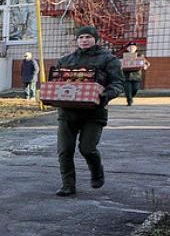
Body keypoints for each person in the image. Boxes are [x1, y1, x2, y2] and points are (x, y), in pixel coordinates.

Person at [53, 26, 123, 197]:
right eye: (81, 37)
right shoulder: (66, 60)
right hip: (68, 112)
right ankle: (68, 185)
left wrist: (105, 95)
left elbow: (118, 83)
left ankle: (97, 171)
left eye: (88, 37)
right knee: (64, 150)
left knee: (87, 148)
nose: (84, 40)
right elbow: (56, 82)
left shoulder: (108, 60)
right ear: (77, 40)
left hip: (94, 112)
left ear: (96, 39)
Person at [122, 42, 150, 106]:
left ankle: (131, 97)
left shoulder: (140, 55)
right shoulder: (124, 55)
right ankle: (129, 100)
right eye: (130, 47)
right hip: (126, 76)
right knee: (127, 89)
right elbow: (119, 62)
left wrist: (145, 66)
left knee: (135, 89)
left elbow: (147, 63)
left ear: (136, 48)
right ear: (127, 48)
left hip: (136, 76)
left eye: (133, 47)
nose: (132, 48)